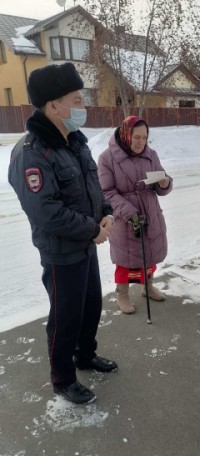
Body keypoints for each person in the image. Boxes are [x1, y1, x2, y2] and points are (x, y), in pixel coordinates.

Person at [8, 63, 118, 405]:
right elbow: (46, 211)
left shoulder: (75, 142)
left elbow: (93, 187)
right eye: (76, 98)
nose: (82, 105)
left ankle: (85, 356)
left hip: (86, 245)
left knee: (90, 308)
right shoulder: (31, 153)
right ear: (53, 105)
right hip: (61, 251)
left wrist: (107, 214)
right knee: (65, 317)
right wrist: (91, 231)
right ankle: (63, 378)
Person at [98, 116, 173, 314]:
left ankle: (147, 287)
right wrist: (129, 212)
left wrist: (164, 183)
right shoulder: (107, 158)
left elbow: (160, 180)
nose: (140, 142)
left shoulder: (151, 155)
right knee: (126, 259)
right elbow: (106, 192)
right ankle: (122, 294)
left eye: (144, 138)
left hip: (150, 212)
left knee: (150, 254)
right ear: (126, 134)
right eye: (136, 137)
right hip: (125, 218)